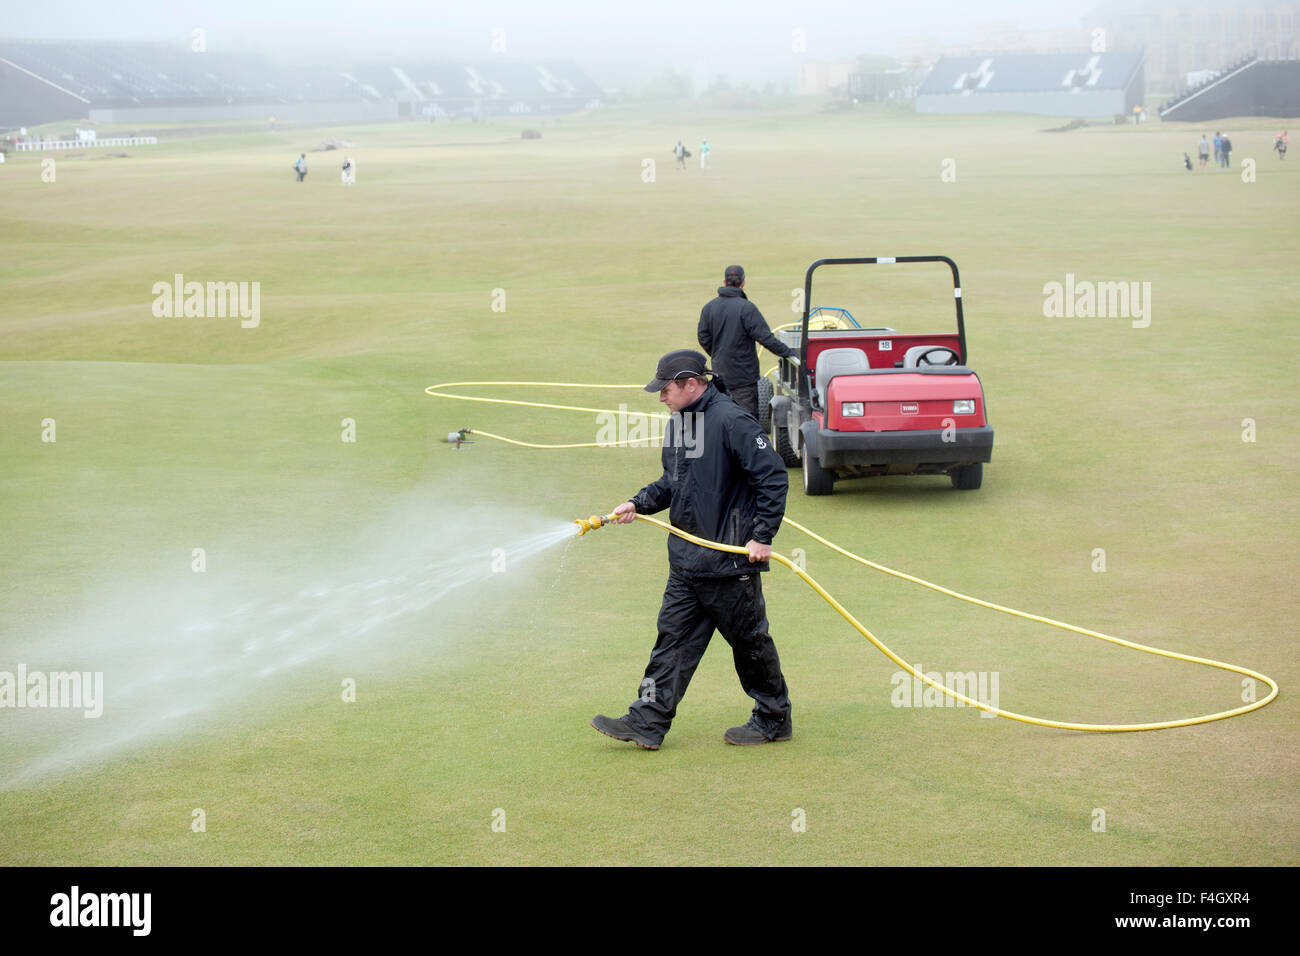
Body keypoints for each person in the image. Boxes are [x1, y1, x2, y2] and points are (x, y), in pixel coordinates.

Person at [590, 349, 793, 750]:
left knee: (750, 644)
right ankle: (647, 719)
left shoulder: (733, 421)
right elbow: (673, 482)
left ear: (691, 383)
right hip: (687, 560)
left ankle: (773, 718)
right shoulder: (681, 423)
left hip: (728, 561)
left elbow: (773, 477)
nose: (661, 398)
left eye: (665, 390)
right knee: (672, 641)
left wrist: (762, 537)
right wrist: (638, 502)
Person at [697, 265, 798, 421]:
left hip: (720, 376)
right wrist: (790, 353)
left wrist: (717, 353)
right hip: (744, 379)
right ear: (743, 283)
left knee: (721, 419)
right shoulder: (747, 308)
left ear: (724, 282)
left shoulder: (709, 308)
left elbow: (703, 336)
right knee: (746, 422)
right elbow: (766, 338)